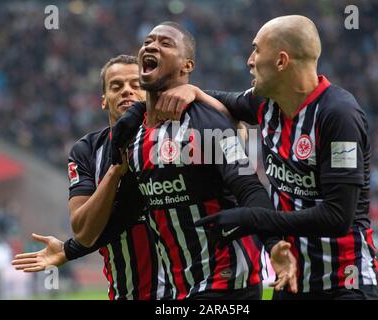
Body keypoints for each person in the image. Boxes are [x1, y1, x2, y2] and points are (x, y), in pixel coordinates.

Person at [156, 15, 378, 300]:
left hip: (345, 283)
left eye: (256, 50)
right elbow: (224, 100)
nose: (249, 60)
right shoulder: (264, 105)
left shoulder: (339, 115)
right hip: (290, 281)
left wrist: (254, 218)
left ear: (281, 61)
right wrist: (193, 90)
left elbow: (337, 217)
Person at [110, 21, 296, 299]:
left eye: (165, 43)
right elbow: (129, 209)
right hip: (180, 287)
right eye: (148, 41)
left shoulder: (205, 122)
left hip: (227, 279)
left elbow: (247, 185)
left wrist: (273, 243)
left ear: (187, 66)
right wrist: (71, 250)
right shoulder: (134, 131)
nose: (151, 46)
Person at [12, 55, 172, 300]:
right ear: (104, 101)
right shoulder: (86, 150)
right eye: (116, 86)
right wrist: (114, 171)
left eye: (136, 85)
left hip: (186, 294)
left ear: (150, 93)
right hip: (126, 294)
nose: (127, 91)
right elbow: (83, 230)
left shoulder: (174, 140)